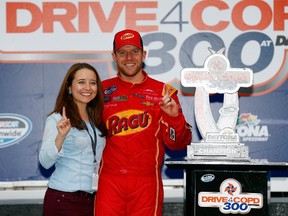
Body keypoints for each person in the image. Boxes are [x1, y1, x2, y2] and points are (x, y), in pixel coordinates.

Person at [95, 29, 192, 216]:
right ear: (114, 56)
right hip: (110, 181)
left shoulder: (163, 92)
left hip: (146, 182)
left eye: (135, 51)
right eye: (122, 52)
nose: (129, 57)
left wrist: (174, 118)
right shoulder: (101, 90)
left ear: (144, 54)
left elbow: (179, 144)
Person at [39, 63, 107, 216]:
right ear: (69, 87)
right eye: (81, 82)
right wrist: (60, 136)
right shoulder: (57, 119)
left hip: (92, 200)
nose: (88, 87)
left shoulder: (97, 120)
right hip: (63, 200)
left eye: (93, 83)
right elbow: (45, 162)